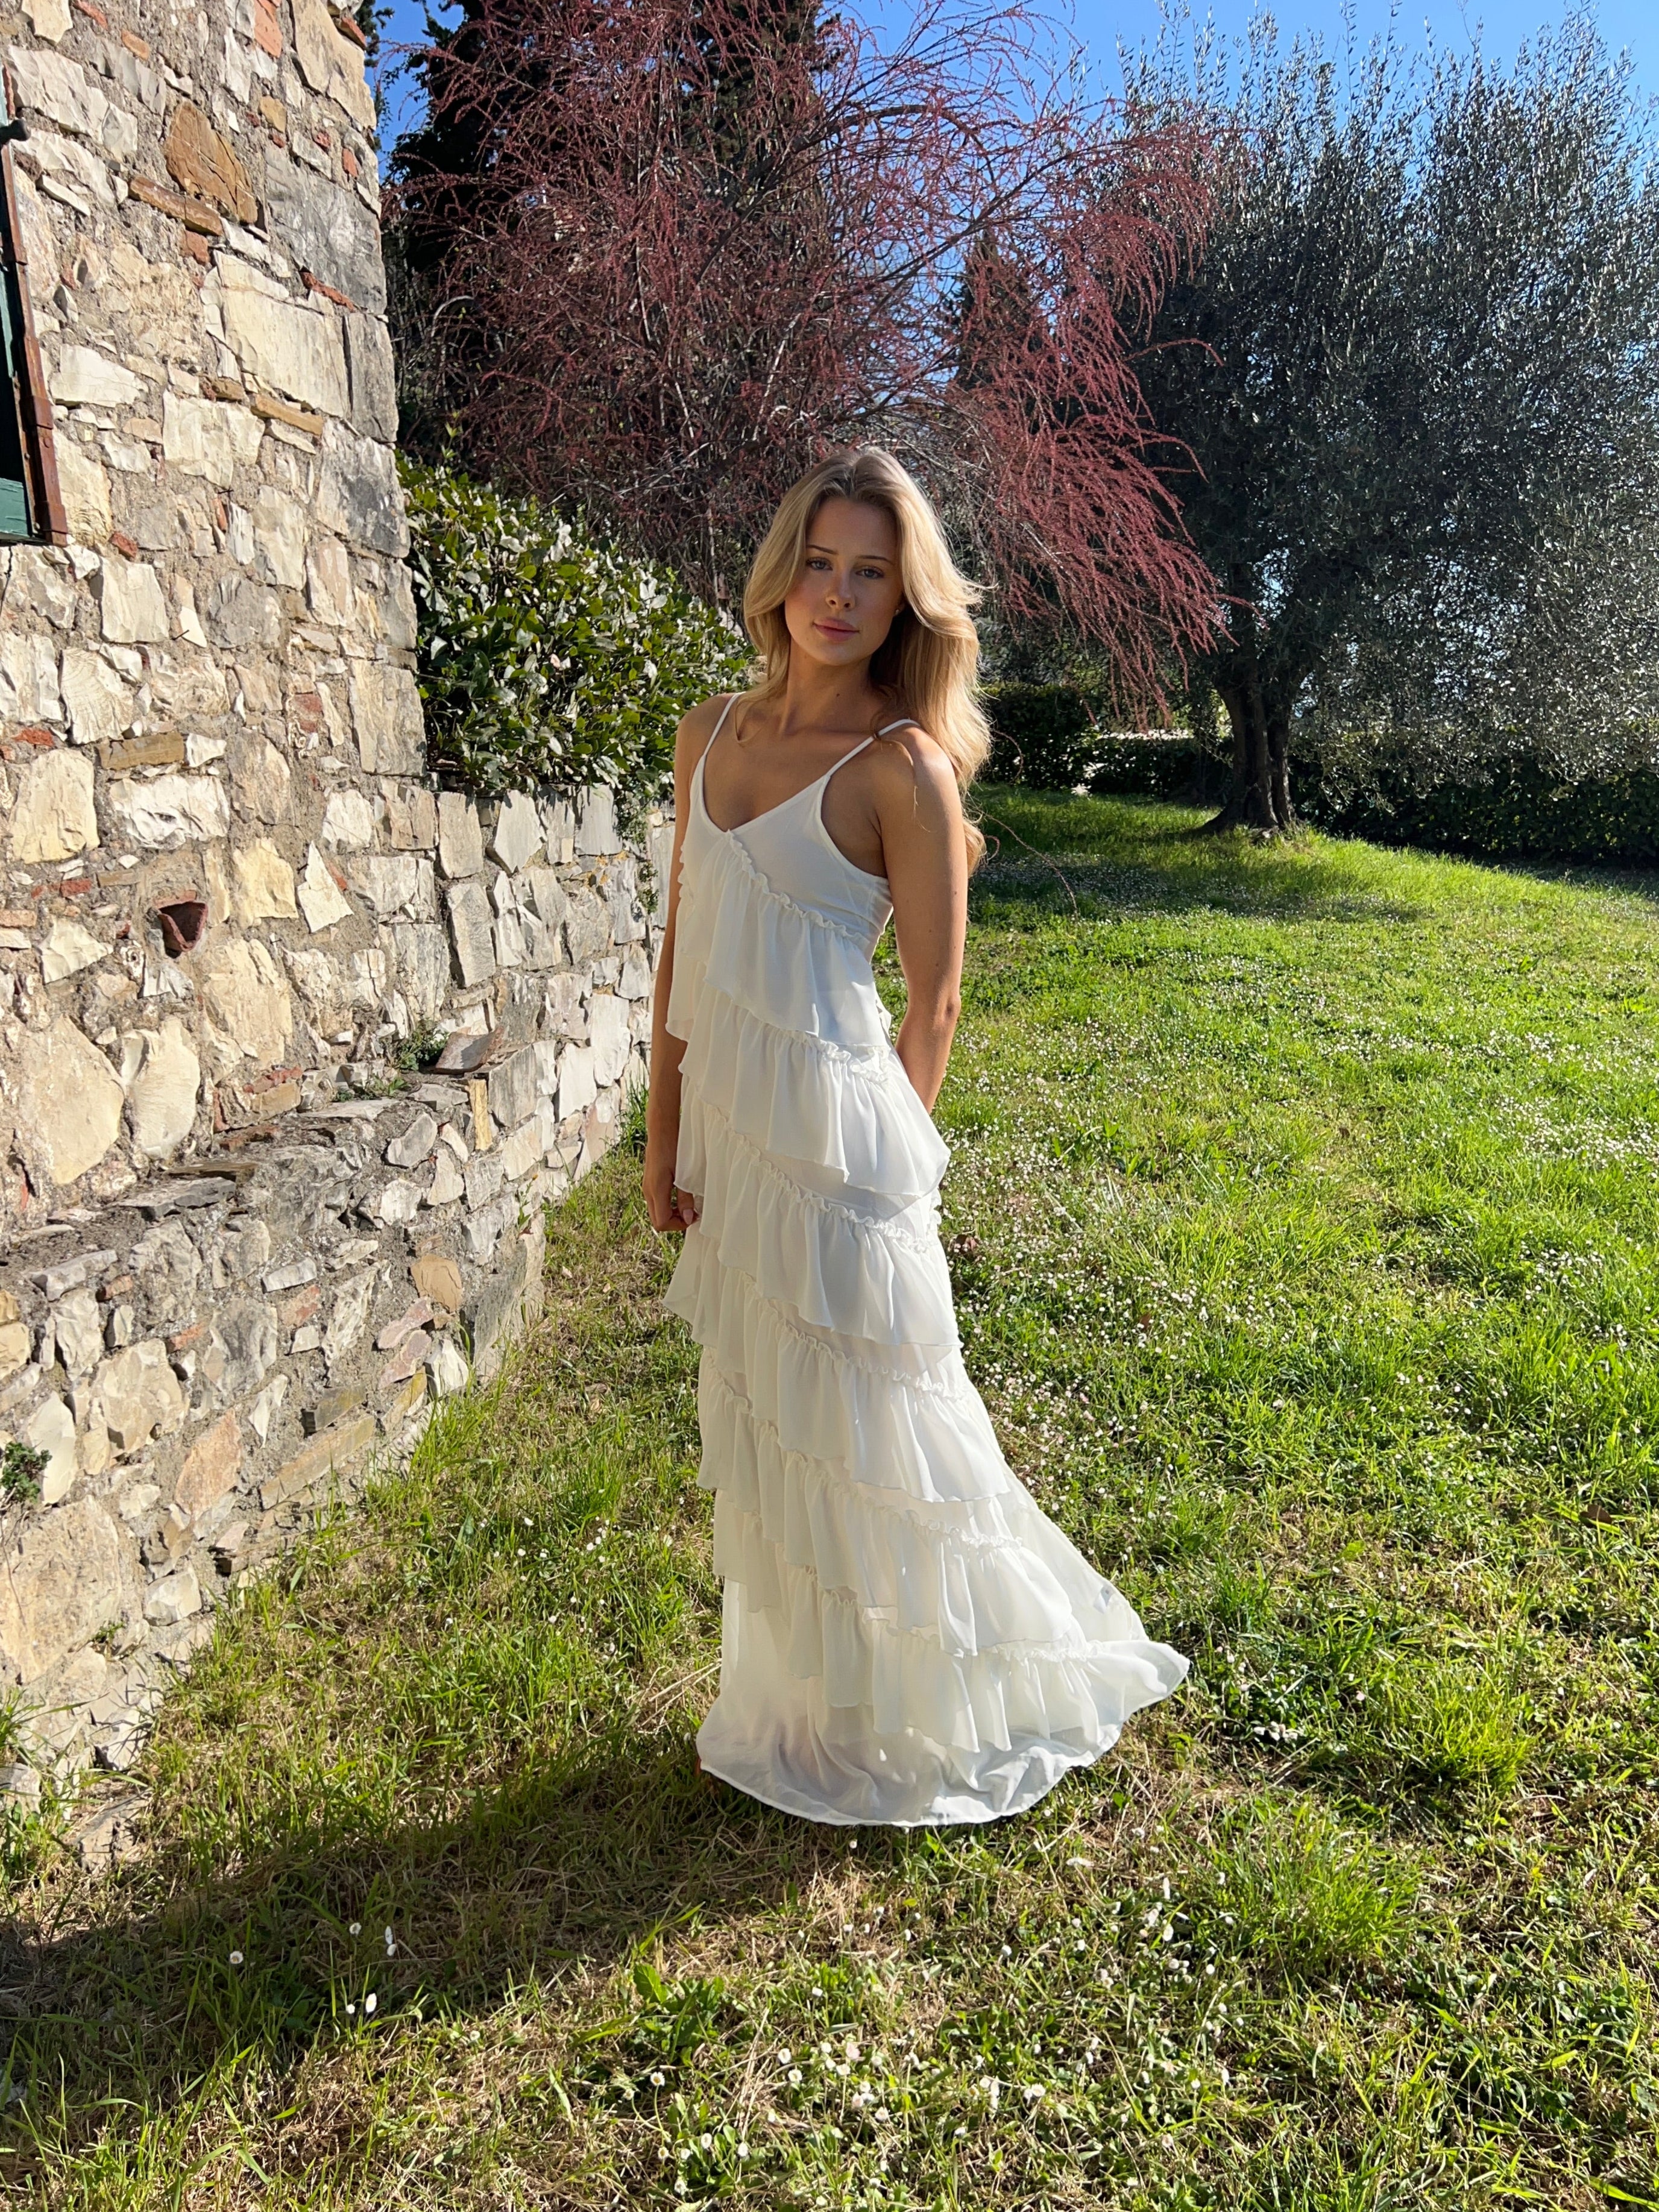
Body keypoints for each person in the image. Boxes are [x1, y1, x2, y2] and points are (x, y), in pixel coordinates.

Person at [644, 447, 1186, 1825]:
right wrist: (663, 1139)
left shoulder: (904, 770)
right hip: (735, 1144)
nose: (836, 594)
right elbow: (679, 953)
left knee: (880, 1432)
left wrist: (871, 1184)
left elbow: (934, 1002)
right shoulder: (705, 731)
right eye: (818, 563)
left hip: (844, 1160)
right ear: (781, 576)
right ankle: (809, 1700)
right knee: (773, 1423)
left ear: (904, 599)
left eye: (870, 573)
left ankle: (931, 1697)